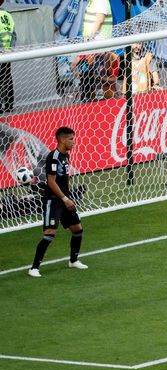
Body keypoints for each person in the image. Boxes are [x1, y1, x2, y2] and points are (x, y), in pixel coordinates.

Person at [28, 127, 88, 277]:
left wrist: (68, 194)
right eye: (71, 139)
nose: (74, 142)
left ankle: (73, 260)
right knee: (49, 234)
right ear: (62, 140)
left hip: (64, 198)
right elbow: (51, 181)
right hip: (53, 201)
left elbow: (65, 177)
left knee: (77, 229)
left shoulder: (65, 156)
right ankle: (34, 268)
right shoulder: (53, 157)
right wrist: (64, 198)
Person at [0, 0, 16, 113]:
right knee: (7, 77)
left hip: (1, 52)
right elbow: (14, 35)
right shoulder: (7, 15)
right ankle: (9, 104)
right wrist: (10, 49)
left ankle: (0, 107)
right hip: (8, 52)